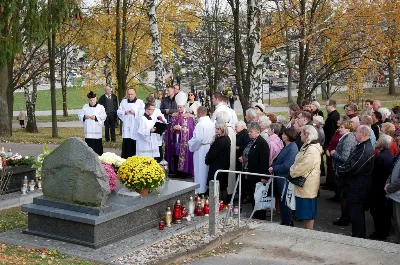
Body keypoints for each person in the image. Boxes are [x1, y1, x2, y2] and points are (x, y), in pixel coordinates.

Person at [337, 125, 375, 238]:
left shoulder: (365, 149)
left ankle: (359, 238)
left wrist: (340, 170)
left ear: (363, 134)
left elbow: (353, 168)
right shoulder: (362, 146)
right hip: (354, 186)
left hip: (357, 188)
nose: (354, 134)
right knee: (354, 214)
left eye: (356, 132)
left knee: (356, 215)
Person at [290, 125, 323, 230]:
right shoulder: (307, 146)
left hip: (307, 186)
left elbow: (303, 166)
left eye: (301, 133)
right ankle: (306, 232)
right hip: (304, 185)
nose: (300, 135)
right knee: (304, 214)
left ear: (306, 134)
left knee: (308, 213)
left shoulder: (312, 149)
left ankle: (309, 234)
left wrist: (291, 172)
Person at [269, 128, 299, 226]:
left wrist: (275, 168)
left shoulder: (292, 148)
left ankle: (288, 221)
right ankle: (285, 220)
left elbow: (287, 165)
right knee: (282, 200)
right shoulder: (287, 146)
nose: (282, 136)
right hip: (280, 177)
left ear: (289, 136)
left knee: (285, 200)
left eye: (284, 134)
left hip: (285, 178)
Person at [329, 120, 357, 224]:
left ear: (348, 128)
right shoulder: (346, 137)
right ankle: (345, 216)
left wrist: (334, 153)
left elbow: (345, 157)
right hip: (342, 171)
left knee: (344, 196)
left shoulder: (348, 139)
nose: (339, 129)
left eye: (341, 127)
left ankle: (345, 218)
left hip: (344, 172)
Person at [165, 92, 195, 178]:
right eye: (178, 107)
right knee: (176, 153)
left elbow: (191, 129)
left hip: (184, 139)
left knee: (184, 154)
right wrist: (172, 128)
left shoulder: (189, 117)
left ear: (184, 106)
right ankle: (176, 171)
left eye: (180, 107)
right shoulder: (174, 115)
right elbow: (170, 126)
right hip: (176, 138)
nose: (179, 109)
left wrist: (181, 128)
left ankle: (184, 172)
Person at [369, 134, 393, 240]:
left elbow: (376, 175)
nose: (376, 142)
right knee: (384, 213)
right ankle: (384, 232)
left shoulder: (380, 157)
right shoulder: (389, 154)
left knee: (378, 212)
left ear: (382, 143)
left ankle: (380, 233)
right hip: (384, 188)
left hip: (378, 189)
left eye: (378, 141)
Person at [239, 122, 270, 204]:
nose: (249, 133)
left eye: (251, 131)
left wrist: (264, 176)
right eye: (249, 131)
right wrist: (244, 157)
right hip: (249, 172)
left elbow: (264, 161)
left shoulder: (262, 143)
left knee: (258, 196)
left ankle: (258, 215)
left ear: (258, 132)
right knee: (253, 195)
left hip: (257, 175)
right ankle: (254, 214)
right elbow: (249, 152)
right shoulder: (251, 141)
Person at [188, 106, 215, 194]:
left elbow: (198, 139)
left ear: (200, 114)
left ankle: (200, 190)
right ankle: (205, 188)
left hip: (201, 148)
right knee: (206, 169)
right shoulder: (211, 123)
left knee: (200, 170)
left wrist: (190, 144)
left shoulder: (200, 124)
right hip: (209, 147)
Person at [205, 121, 231, 203]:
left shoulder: (220, 141)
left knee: (215, 186)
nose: (216, 130)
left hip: (217, 166)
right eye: (216, 128)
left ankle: (215, 205)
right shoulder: (227, 139)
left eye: (218, 129)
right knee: (223, 186)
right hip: (224, 165)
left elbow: (213, 154)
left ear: (223, 129)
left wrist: (207, 159)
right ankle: (224, 204)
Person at [117, 88, 145, 158]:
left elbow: (143, 112)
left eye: (132, 94)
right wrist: (124, 112)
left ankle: (135, 158)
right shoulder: (123, 102)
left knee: (134, 142)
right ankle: (125, 158)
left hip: (135, 126)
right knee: (126, 141)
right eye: (128, 94)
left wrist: (135, 112)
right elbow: (118, 111)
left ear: (135, 94)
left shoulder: (140, 102)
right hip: (127, 126)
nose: (130, 96)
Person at [78, 91, 107, 155]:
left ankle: (99, 158)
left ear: (96, 99)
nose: (92, 101)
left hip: (97, 131)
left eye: (93, 100)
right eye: (90, 100)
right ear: (88, 100)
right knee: (89, 146)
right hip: (88, 131)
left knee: (97, 147)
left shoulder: (100, 107)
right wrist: (84, 116)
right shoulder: (85, 107)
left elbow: (104, 116)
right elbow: (80, 115)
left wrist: (96, 117)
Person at [216, 111, 236, 197]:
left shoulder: (225, 130)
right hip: (230, 157)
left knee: (224, 181)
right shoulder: (231, 129)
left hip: (224, 159)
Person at [385, 151, 400, 244]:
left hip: (397, 195)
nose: (398, 138)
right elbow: (393, 171)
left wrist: (389, 188)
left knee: (399, 221)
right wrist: (388, 184)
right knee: (396, 220)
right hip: (395, 195)